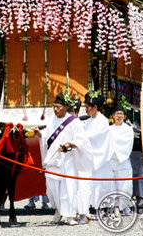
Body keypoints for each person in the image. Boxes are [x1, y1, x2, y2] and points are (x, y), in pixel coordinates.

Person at [36, 92, 93, 225]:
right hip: (53, 159)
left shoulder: (74, 122)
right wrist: (40, 134)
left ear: (65, 107)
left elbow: (81, 140)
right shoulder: (51, 120)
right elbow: (47, 136)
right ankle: (58, 209)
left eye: (58, 107)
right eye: (54, 106)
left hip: (67, 160)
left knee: (68, 188)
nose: (56, 109)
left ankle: (69, 215)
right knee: (51, 188)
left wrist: (70, 144)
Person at [83, 90, 111, 210]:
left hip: (100, 158)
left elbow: (96, 137)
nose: (86, 109)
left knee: (101, 184)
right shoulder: (87, 122)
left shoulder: (103, 121)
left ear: (95, 107)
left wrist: (81, 140)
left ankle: (103, 206)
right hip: (89, 157)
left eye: (87, 107)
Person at [106, 102, 134, 214]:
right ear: (113, 115)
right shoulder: (109, 129)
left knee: (125, 186)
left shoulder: (128, 129)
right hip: (111, 160)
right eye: (117, 114)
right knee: (113, 186)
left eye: (121, 114)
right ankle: (116, 206)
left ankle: (125, 205)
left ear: (125, 116)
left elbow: (127, 144)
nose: (119, 116)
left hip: (123, 160)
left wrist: (117, 152)